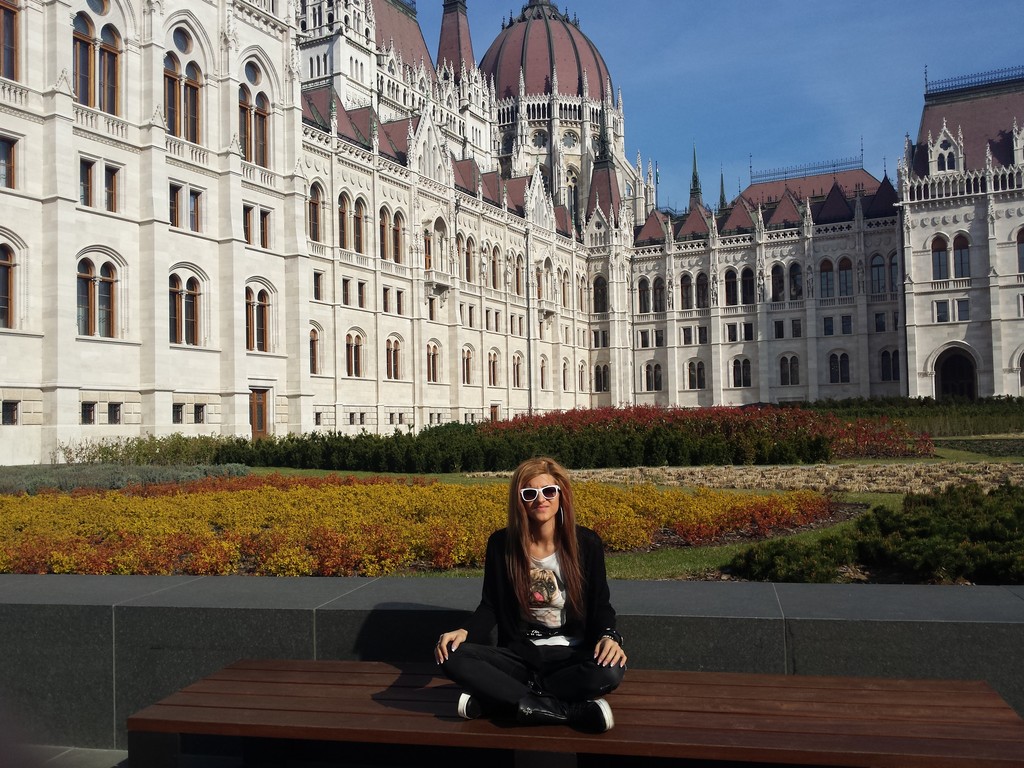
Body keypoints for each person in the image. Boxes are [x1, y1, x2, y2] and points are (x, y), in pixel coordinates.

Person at [435, 456, 626, 732]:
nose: (541, 500)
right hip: (520, 657)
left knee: (610, 670)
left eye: (549, 491)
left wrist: (609, 636)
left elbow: (601, 606)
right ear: (519, 500)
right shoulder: (501, 545)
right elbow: (490, 606)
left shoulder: (587, 544)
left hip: (571, 658)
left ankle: (501, 701)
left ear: (561, 495)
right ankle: (569, 711)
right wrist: (464, 631)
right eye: (529, 493)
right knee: (450, 655)